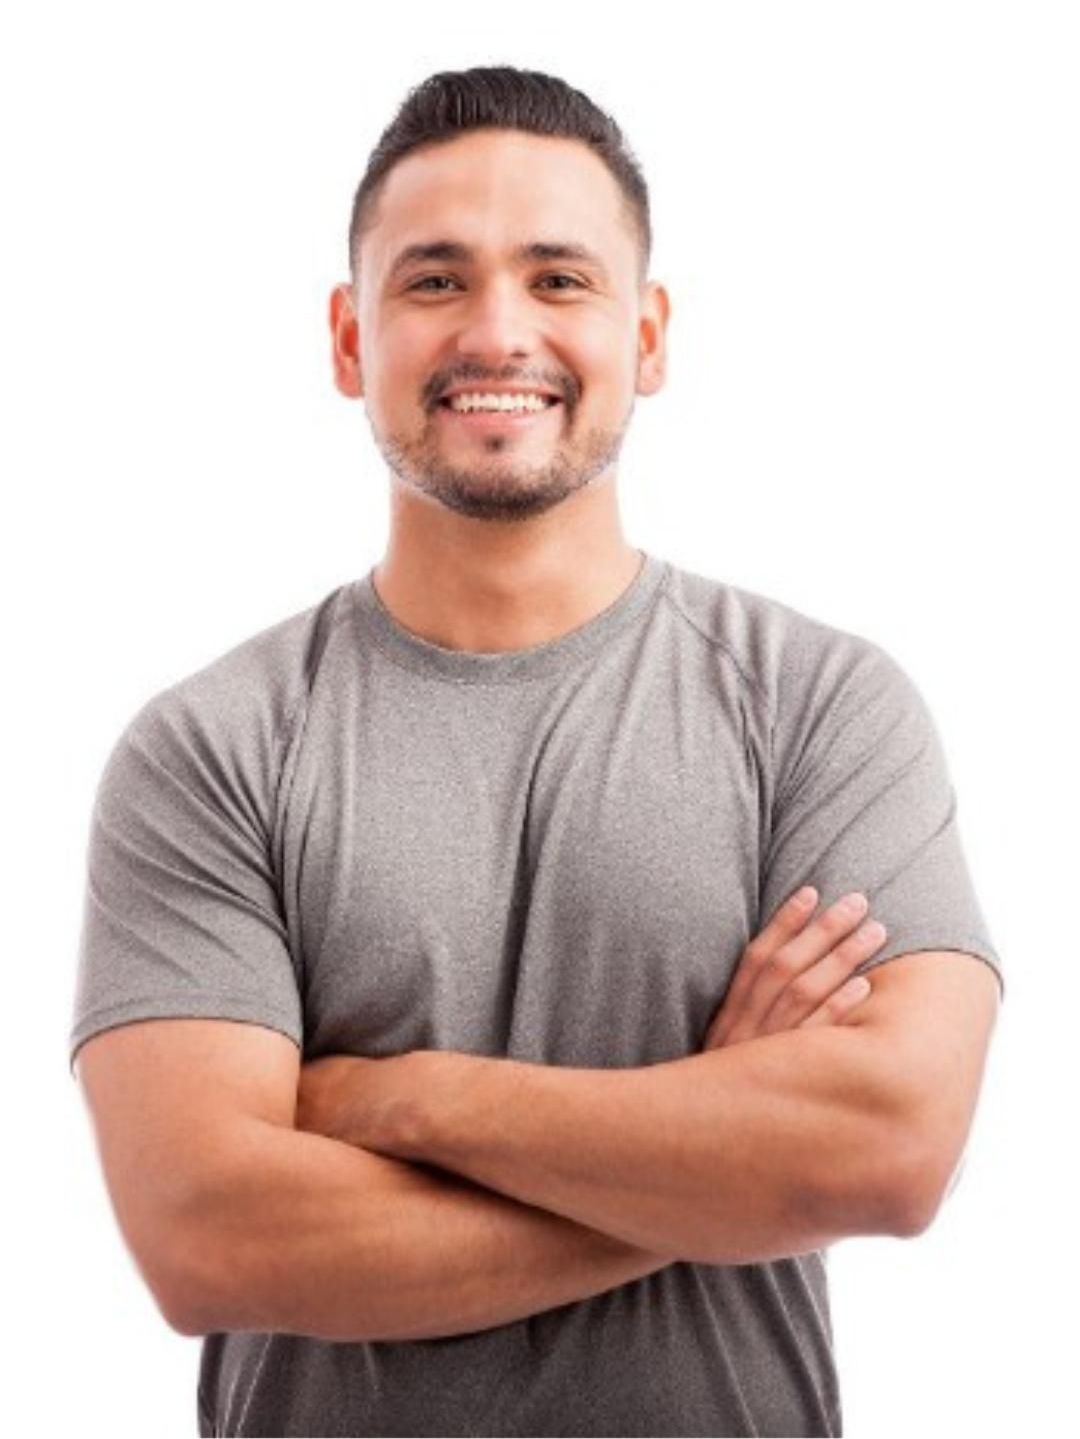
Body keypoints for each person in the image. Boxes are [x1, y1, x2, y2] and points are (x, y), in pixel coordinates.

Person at [69, 65, 1004, 1438]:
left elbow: (888, 1150)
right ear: (349, 337)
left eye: (560, 278)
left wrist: (400, 1101)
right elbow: (210, 1239)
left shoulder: (820, 707)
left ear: (651, 333)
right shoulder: (212, 751)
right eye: (435, 281)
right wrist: (716, 1154)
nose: (498, 330)